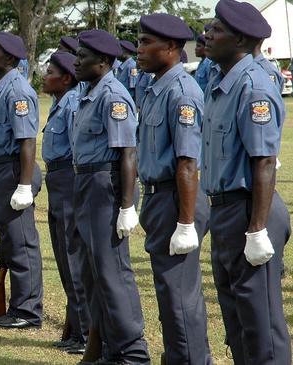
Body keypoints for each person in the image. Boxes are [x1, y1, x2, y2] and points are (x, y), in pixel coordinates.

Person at [202, 1, 291, 363]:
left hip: (251, 210)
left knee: (261, 323)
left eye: (216, 30)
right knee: (236, 319)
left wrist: (256, 230)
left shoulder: (253, 87)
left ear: (240, 38)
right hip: (225, 210)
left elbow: (265, 160)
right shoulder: (220, 82)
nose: (206, 35)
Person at [136, 13, 212, 365]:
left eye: (145, 43)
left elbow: (187, 163)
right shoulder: (156, 87)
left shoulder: (182, 92)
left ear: (171, 47)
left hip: (176, 200)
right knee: (169, 293)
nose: (139, 50)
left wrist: (185, 223)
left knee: (179, 294)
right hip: (159, 198)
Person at [71, 29, 150, 364]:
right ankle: (109, 348)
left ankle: (133, 352)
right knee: (92, 272)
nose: (75, 62)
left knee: (112, 271)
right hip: (86, 184)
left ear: (102, 62)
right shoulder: (90, 92)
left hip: (105, 186)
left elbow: (127, 153)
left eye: (82, 56)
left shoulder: (113, 96)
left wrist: (126, 205)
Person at [0, 32, 43, 329]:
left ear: (8, 58)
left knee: (21, 242)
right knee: (8, 239)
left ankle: (28, 310)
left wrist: (23, 184)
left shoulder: (17, 91)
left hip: (12, 171)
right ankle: (18, 305)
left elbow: (27, 142)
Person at [41, 51, 89, 353]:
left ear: (67, 78)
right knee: (63, 258)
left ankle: (85, 334)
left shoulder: (72, 104)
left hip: (69, 182)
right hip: (56, 182)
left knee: (74, 260)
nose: (45, 76)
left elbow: (76, 150)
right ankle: (74, 330)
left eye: (50, 72)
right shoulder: (61, 103)